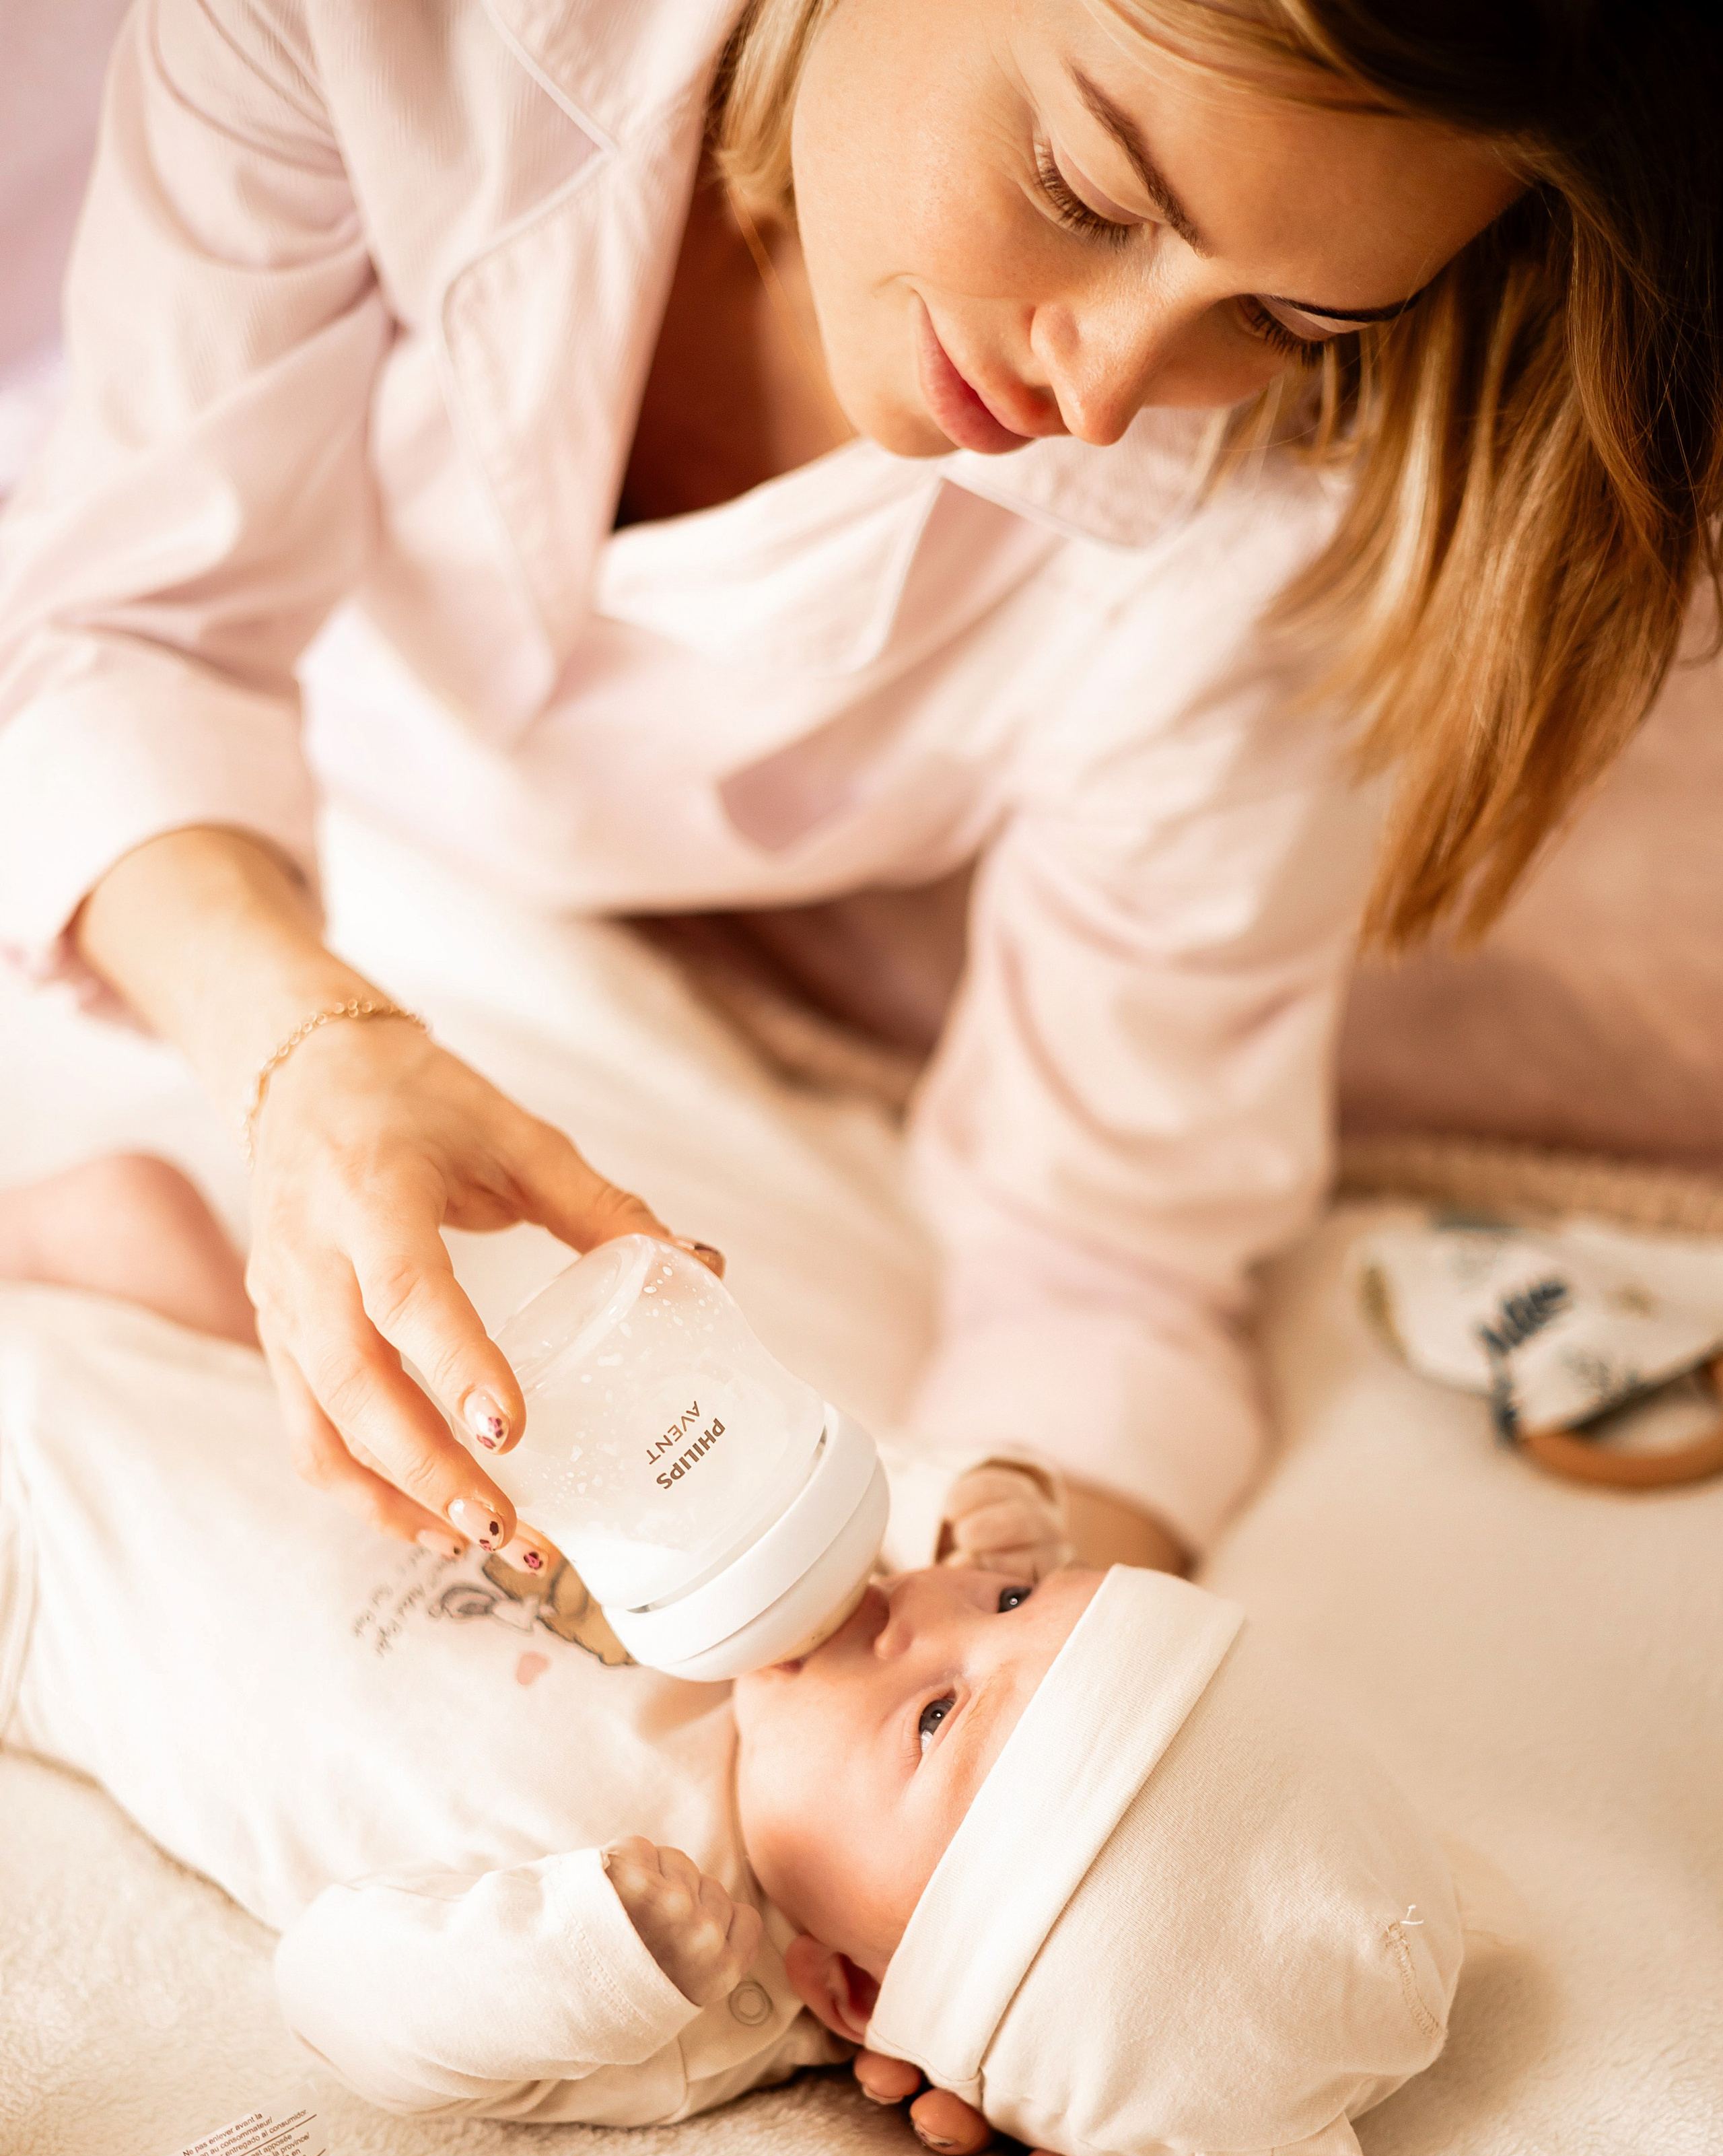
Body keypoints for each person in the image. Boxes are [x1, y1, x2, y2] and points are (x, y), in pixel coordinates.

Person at [4, 0, 1717, 1593]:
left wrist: (1005, 1574)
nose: (1102, 394)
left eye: (1277, 318)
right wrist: (297, 1045)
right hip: (169, 810)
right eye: (1081, 189)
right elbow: (118, 631)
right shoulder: (392, 33)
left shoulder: (1258, 560)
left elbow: (1109, 1249)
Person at [0, 1154, 1487, 2156]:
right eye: (1021, 1605)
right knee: (136, 1209)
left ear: (849, 1990)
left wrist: (586, 1954)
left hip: (54, 1586)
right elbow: (840, 1483)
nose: (928, 1611)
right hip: (245, 1390)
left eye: (935, 1719)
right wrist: (980, 1498)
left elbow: (339, 1999)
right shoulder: (843, 1622)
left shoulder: (690, 1998)